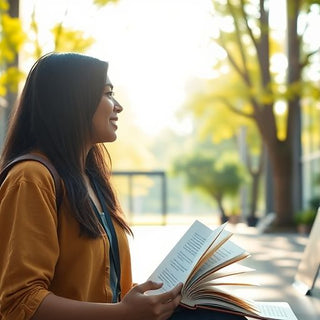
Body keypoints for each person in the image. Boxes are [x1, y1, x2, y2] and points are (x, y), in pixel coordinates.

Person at [0, 52, 246, 320]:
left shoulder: (91, 178)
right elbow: (20, 302)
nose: (118, 106)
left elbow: (106, 290)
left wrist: (149, 300)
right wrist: (122, 313)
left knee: (224, 314)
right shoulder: (31, 177)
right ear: (72, 102)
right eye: (107, 94)